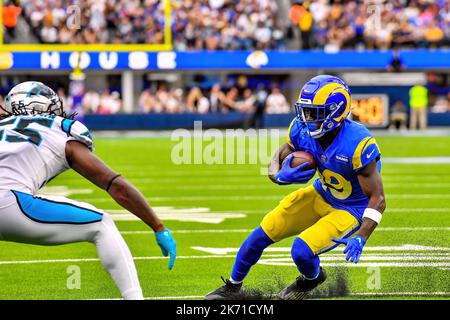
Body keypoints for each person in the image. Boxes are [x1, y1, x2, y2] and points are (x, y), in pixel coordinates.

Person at [205, 75, 386, 300]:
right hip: (322, 193)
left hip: (350, 209)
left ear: (335, 111)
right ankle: (232, 287)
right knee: (262, 232)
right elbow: (279, 156)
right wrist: (277, 176)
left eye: (315, 113)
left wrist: (361, 236)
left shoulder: (358, 142)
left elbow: (378, 198)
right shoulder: (301, 129)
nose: (307, 118)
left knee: (301, 251)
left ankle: (311, 279)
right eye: (305, 111)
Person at [0, 81, 176, 300]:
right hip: (9, 205)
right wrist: (158, 226)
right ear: (40, 106)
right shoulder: (57, 129)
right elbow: (115, 185)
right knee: (102, 224)